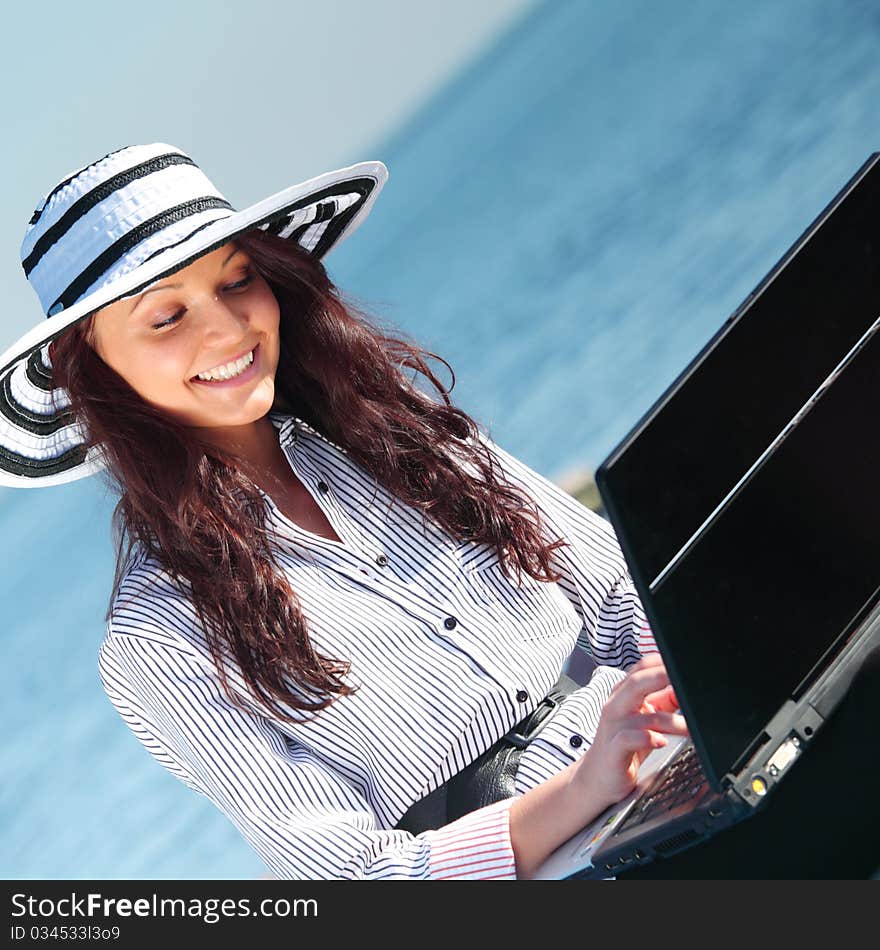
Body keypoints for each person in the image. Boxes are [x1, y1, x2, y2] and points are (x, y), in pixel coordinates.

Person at [5, 143, 874, 881]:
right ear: (94, 376)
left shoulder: (402, 437)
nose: (228, 330)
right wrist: (585, 790)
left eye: (238, 280)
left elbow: (617, 593)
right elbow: (352, 876)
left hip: (684, 775)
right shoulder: (155, 640)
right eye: (166, 318)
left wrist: (674, 703)